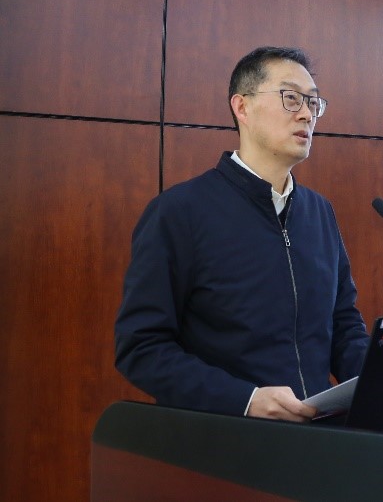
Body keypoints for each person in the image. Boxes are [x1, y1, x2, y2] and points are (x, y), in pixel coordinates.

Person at [115, 46, 369, 422]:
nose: (306, 114)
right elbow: (140, 348)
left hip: (318, 437)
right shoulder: (180, 212)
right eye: (291, 98)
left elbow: (343, 325)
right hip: (227, 440)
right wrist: (245, 399)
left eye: (313, 103)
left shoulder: (319, 212)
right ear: (243, 107)